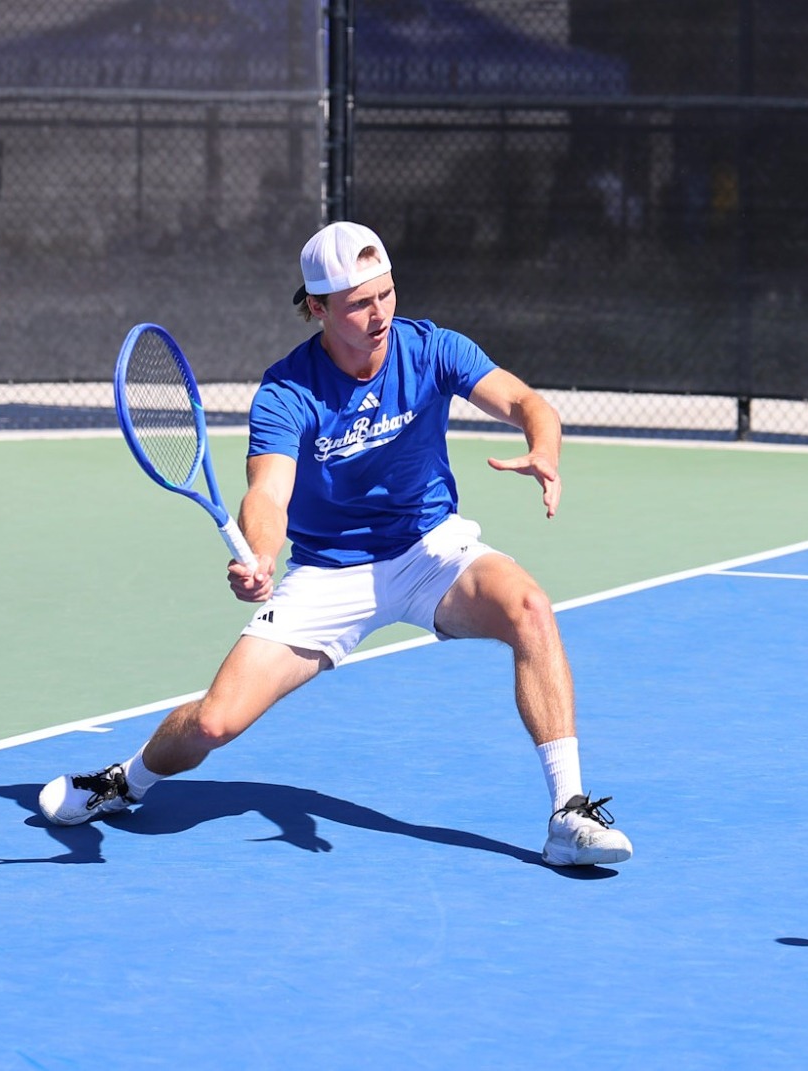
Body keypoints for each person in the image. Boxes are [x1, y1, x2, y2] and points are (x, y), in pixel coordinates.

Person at [39, 221, 631, 867]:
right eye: (358, 302)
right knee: (215, 722)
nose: (378, 313)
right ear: (317, 307)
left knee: (529, 608)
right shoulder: (287, 390)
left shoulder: (431, 348)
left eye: (385, 294)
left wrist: (543, 447)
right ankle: (125, 781)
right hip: (329, 571)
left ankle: (568, 813)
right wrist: (262, 552)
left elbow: (523, 400)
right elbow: (267, 494)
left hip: (428, 549)